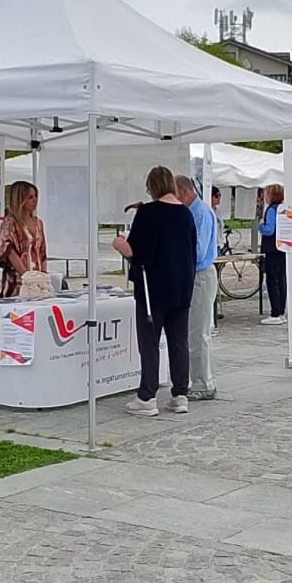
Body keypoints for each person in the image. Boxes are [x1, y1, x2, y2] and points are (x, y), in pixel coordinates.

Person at [112, 166, 196, 416]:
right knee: (178, 342)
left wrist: (120, 244)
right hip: (181, 288)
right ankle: (180, 394)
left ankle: (147, 396)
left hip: (153, 290)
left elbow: (139, 253)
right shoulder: (186, 214)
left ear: (152, 187)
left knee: (149, 344)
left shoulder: (149, 213)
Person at [175, 175, 218, 401]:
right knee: (193, 332)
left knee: (198, 333)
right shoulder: (193, 211)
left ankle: (203, 383)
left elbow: (198, 251)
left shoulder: (199, 213)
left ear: (183, 192)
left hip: (200, 275)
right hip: (194, 275)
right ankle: (199, 380)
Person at [0, 181, 48, 299]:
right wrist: (26, 276)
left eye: (35, 196)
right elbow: (9, 251)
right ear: (20, 200)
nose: (35, 200)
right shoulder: (10, 223)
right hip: (18, 282)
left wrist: (43, 277)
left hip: (38, 282)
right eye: (30, 197)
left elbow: (42, 252)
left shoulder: (38, 223)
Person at [258, 183, 287, 324]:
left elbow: (269, 229)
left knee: (272, 280)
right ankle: (281, 311)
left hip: (272, 249)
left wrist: (260, 225)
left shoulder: (271, 210)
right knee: (281, 279)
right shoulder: (282, 208)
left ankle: (275, 312)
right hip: (282, 248)